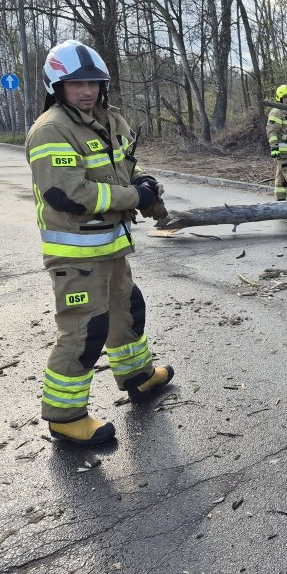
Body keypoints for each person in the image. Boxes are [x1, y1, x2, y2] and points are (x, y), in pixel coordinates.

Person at [24, 39, 174, 447]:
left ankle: (138, 378)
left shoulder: (112, 120)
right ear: (57, 87)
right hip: (76, 253)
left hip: (111, 246)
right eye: (76, 85)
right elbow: (68, 194)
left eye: (92, 82)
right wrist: (134, 198)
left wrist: (142, 182)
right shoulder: (52, 129)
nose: (86, 90)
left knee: (127, 311)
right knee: (85, 331)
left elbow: (121, 167)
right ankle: (65, 416)